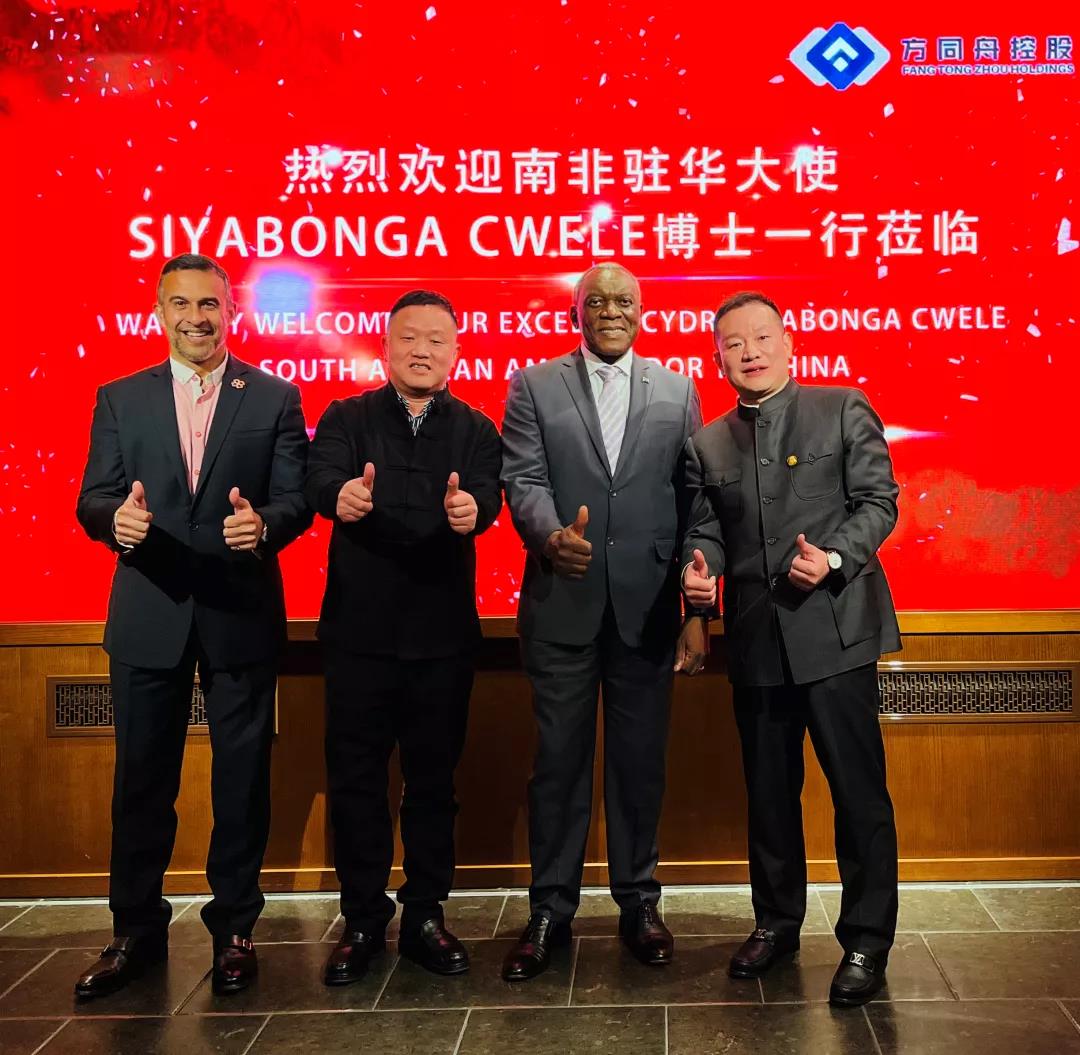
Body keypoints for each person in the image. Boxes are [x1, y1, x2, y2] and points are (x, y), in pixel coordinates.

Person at [74, 253, 312, 998]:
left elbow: (297, 499)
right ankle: (135, 931)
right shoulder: (120, 397)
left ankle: (235, 929)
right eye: (181, 304)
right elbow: (93, 498)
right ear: (158, 312)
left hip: (240, 611)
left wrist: (265, 525)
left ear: (231, 311)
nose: (196, 318)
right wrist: (114, 521)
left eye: (209, 304)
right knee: (142, 780)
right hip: (149, 612)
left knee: (241, 780)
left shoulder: (274, 396)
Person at [680, 290, 900, 1007]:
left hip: (836, 633)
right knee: (770, 797)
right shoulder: (708, 442)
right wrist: (699, 573)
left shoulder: (841, 406)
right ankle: (776, 923)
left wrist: (832, 558)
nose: (749, 351)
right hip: (756, 639)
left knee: (858, 795)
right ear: (718, 357)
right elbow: (707, 529)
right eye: (733, 342)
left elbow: (879, 501)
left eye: (762, 337)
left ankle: (866, 939)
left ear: (789, 342)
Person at [499, 263, 703, 980]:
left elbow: (695, 499)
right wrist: (549, 534)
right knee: (558, 764)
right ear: (576, 313)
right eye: (597, 301)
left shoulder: (678, 390)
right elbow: (523, 478)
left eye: (624, 300)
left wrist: (696, 607)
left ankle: (639, 901)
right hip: (563, 602)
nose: (611, 310)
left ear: (642, 312)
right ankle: (550, 909)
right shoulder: (533, 385)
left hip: (649, 610)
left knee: (639, 764)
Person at [305, 290, 501, 984]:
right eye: (409, 338)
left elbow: (489, 494)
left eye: (436, 340)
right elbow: (318, 478)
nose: (422, 350)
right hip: (358, 634)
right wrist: (339, 497)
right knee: (356, 782)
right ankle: (362, 919)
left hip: (442, 637)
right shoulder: (346, 416)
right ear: (385, 346)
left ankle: (424, 915)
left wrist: (473, 510)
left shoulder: (477, 427)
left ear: (456, 352)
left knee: (433, 784)